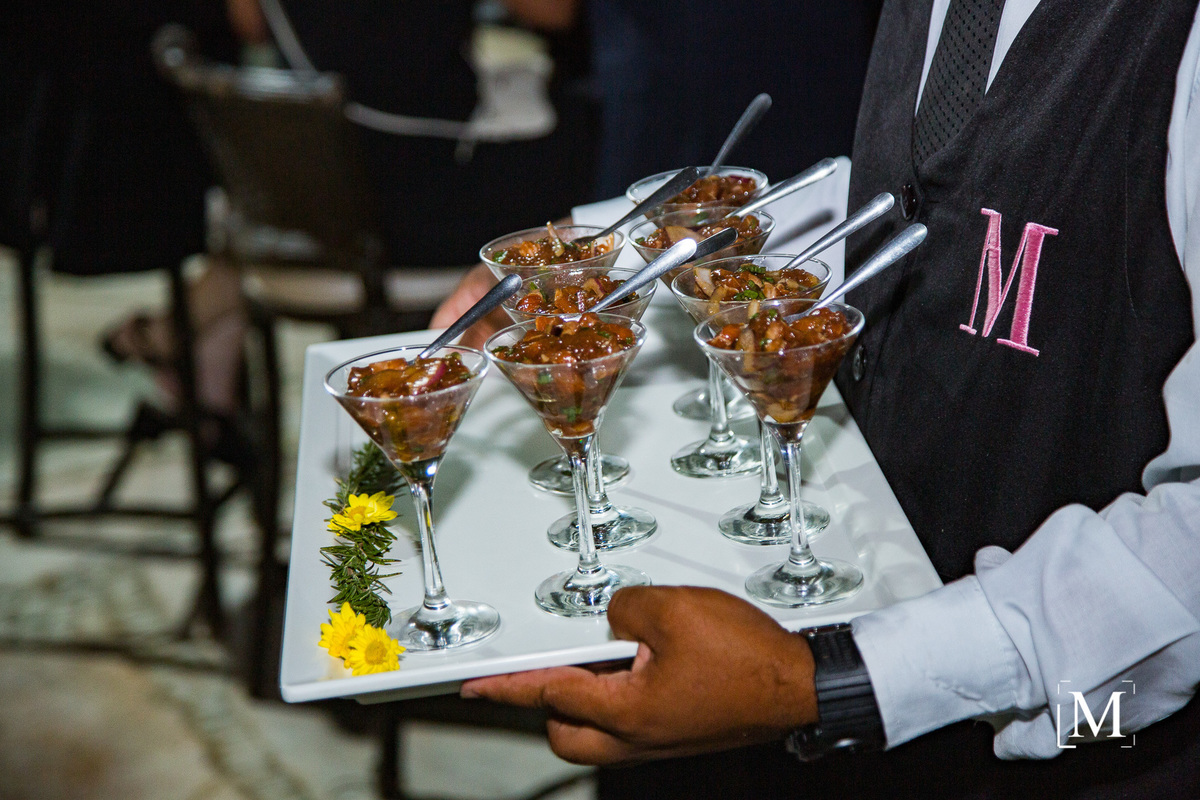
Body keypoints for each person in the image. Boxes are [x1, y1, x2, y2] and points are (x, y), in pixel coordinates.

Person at [453, 1, 1200, 798]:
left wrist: (838, 681)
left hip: (1095, 742)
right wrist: (603, 249)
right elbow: (924, 196)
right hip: (867, 655)